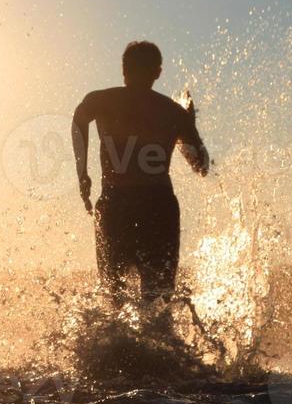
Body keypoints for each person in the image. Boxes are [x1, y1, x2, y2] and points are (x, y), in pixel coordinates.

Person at [72, 41, 210, 307]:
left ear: (123, 70)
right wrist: (188, 123)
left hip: (115, 206)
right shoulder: (173, 112)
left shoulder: (101, 100)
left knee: (115, 298)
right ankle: (160, 346)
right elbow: (201, 167)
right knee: (158, 300)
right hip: (158, 209)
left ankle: (112, 347)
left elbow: (78, 121)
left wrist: (83, 174)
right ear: (158, 72)